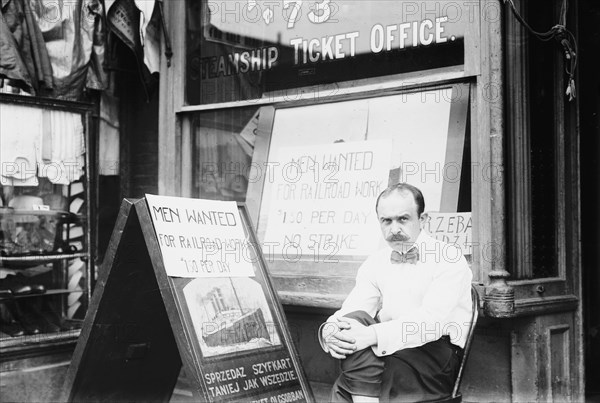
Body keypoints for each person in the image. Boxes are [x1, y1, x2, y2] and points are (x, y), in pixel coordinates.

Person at [318, 183, 473, 402]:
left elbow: (431, 323)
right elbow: (354, 308)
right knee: (354, 321)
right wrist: (331, 330)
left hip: (434, 355)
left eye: (403, 219)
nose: (394, 229)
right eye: (387, 221)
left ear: (423, 219)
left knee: (349, 385)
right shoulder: (376, 262)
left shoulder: (449, 258)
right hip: (389, 347)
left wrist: (371, 335)